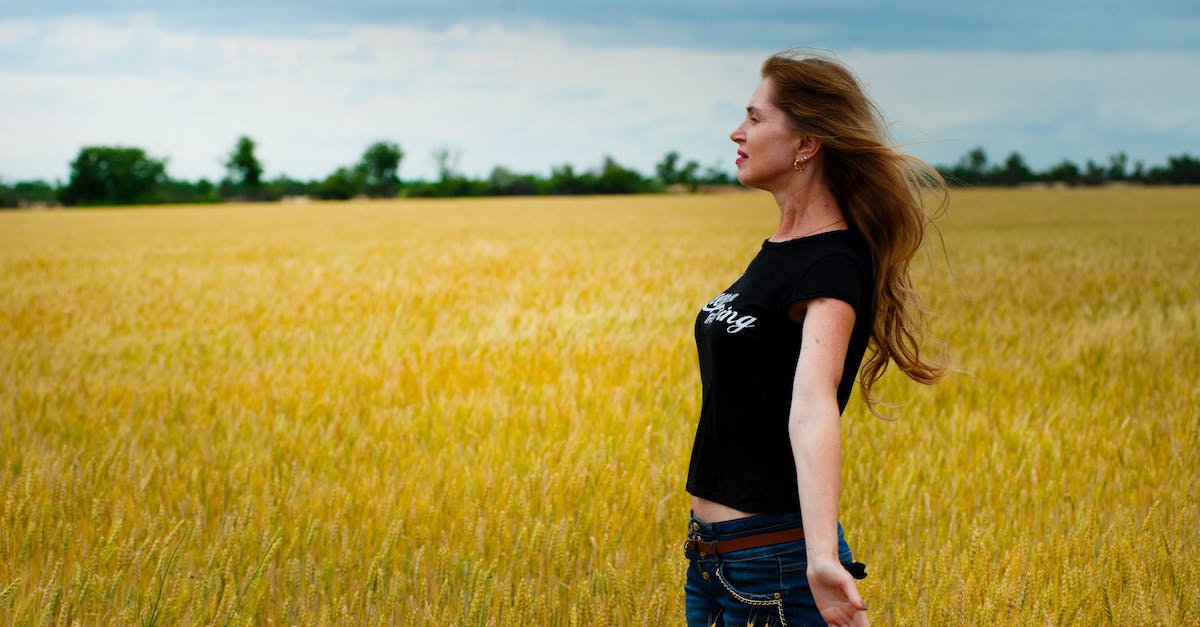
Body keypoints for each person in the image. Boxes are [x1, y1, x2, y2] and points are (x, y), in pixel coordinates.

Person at [684, 50, 948, 627]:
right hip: (711, 561)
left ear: (806, 143)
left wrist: (822, 556)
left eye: (755, 118)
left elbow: (812, 405)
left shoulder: (833, 263)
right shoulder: (781, 248)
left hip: (772, 563)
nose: (737, 131)